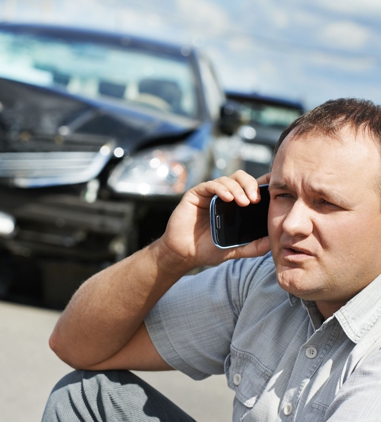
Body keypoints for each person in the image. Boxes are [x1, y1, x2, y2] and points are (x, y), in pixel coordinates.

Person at [42, 98, 381, 421]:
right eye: (283, 195)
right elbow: (76, 346)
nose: (290, 224)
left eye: (325, 203)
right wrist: (171, 255)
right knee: (86, 398)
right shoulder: (260, 282)